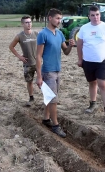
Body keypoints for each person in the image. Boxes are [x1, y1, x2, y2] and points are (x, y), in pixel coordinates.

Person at [36, 8, 75, 138]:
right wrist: (39, 76)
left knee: (50, 97)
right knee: (53, 100)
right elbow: (38, 56)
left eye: (60, 18)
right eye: (57, 18)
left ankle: (46, 118)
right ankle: (56, 125)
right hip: (48, 71)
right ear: (50, 18)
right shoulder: (43, 34)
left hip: (58, 71)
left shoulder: (59, 34)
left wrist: (70, 45)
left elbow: (66, 51)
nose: (59, 21)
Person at [76, 5, 105, 123]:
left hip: (104, 61)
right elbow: (79, 44)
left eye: (97, 14)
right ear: (89, 16)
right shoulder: (84, 28)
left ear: (100, 15)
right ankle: (92, 104)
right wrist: (80, 59)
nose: (95, 17)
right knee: (92, 83)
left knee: (103, 84)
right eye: (93, 15)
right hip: (88, 61)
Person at [9, 15, 38, 107]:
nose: (29, 24)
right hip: (28, 64)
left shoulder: (37, 34)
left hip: (39, 63)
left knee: (44, 80)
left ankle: (48, 98)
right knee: (29, 81)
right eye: (26, 22)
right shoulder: (19, 36)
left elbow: (44, 45)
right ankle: (31, 98)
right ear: (22, 24)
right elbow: (11, 46)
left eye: (30, 22)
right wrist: (19, 56)